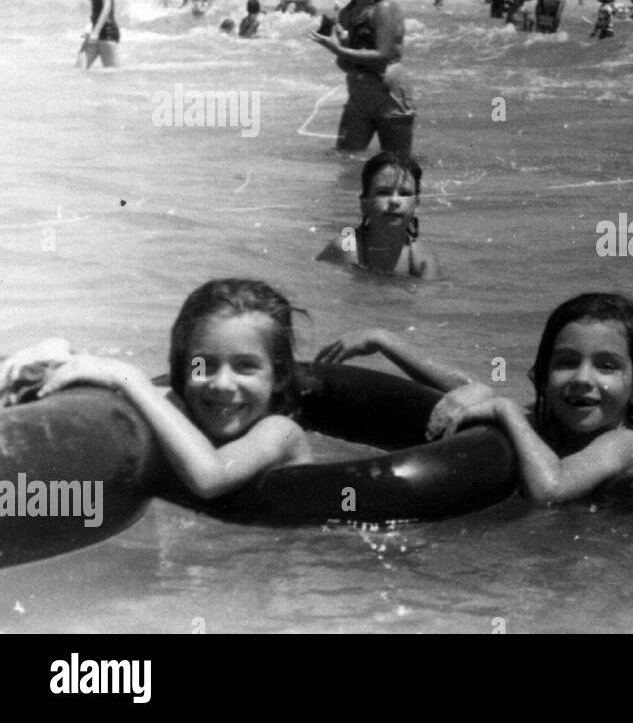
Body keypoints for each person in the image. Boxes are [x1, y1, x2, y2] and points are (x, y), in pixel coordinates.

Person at [422, 294, 633, 504]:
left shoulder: (627, 443)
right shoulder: (547, 424)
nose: (582, 378)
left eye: (606, 366)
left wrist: (503, 408)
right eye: (566, 363)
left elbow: (550, 489)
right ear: (540, 375)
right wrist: (477, 392)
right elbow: (454, 401)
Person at [1, 280, 311, 500]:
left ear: (280, 375)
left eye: (246, 366)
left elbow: (210, 477)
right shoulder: (179, 409)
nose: (221, 384)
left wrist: (129, 378)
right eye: (204, 365)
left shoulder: (281, 433)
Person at [310, 0, 415, 156]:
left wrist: (338, 49)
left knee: (397, 164)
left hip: (389, 96)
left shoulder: (384, 8)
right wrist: (337, 34)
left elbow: (383, 55)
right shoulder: (351, 10)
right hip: (358, 97)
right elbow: (347, 63)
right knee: (344, 159)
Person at [317, 151, 439, 279]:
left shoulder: (421, 259)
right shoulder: (346, 248)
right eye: (383, 192)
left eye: (404, 193)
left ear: (415, 204)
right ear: (364, 204)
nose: (394, 201)